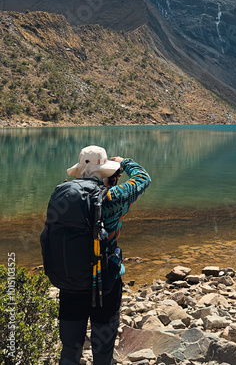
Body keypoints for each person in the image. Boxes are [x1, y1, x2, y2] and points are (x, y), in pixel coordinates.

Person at [58, 145, 151, 365]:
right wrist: (125, 162)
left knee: (70, 350)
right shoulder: (114, 197)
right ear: (107, 173)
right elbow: (143, 178)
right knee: (103, 350)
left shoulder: (63, 195)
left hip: (69, 280)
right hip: (104, 282)